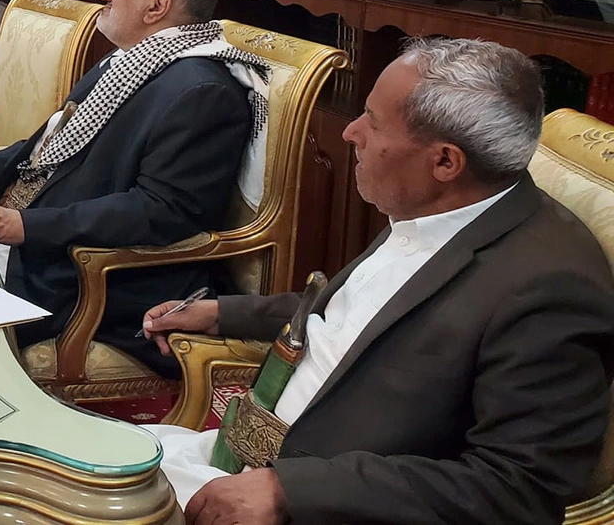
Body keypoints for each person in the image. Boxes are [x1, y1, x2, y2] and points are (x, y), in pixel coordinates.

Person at [140, 38, 614, 525]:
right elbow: (361, 314)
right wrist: (223, 313)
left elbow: (518, 489)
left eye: (373, 120)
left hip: (318, 503)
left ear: (445, 162)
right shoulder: (441, 205)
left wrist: (291, 491)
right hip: (240, 458)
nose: (351, 132)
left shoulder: (550, 290)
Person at [0, 0, 265, 374]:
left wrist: (25, 226)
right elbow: (43, 146)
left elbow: (161, 211)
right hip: (31, 242)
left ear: (157, 5)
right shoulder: (131, 60)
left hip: (82, 275)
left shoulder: (202, 92)